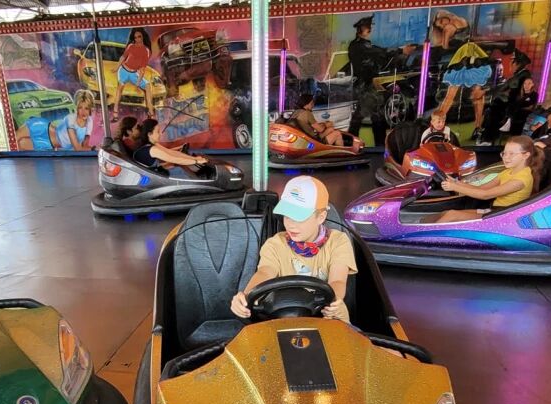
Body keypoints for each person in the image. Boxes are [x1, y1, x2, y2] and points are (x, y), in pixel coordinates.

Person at [230, 176, 356, 323]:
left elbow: (338, 280)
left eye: (299, 217)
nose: (291, 225)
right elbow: (264, 272)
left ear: (321, 217)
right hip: (283, 319)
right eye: (287, 216)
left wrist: (334, 302)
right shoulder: (275, 244)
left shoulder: (338, 241)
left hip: (328, 319)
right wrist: (245, 297)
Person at [433, 135, 544, 223]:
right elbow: (482, 188)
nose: (506, 157)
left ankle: (427, 238)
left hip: (503, 217)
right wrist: (455, 182)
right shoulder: (508, 171)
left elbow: (485, 195)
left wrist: (455, 187)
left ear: (525, 155)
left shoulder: (521, 179)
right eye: (504, 153)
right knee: (447, 213)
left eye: (511, 154)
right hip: (495, 211)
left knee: (451, 215)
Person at [347, 15, 390, 146]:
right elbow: (376, 52)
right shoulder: (357, 46)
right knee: (364, 116)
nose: (370, 29)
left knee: (375, 117)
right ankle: (351, 143)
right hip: (365, 86)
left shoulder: (366, 45)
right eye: (368, 27)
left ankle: (377, 145)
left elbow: (379, 54)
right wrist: (398, 51)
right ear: (361, 29)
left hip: (371, 85)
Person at [113, 27, 155, 120]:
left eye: (139, 36)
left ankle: (151, 112)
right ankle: (115, 112)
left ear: (143, 37)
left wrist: (138, 83)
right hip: (123, 71)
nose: (137, 39)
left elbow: (142, 69)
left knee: (147, 86)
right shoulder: (131, 46)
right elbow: (123, 57)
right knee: (120, 88)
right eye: (135, 37)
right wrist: (116, 68)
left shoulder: (146, 51)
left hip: (133, 74)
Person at [133, 118, 206, 170]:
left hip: (155, 171)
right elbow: (174, 159)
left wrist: (194, 158)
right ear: (149, 134)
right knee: (178, 168)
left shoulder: (152, 145)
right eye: (158, 131)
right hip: (155, 176)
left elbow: (170, 152)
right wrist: (196, 161)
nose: (161, 134)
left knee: (176, 165)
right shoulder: (152, 149)